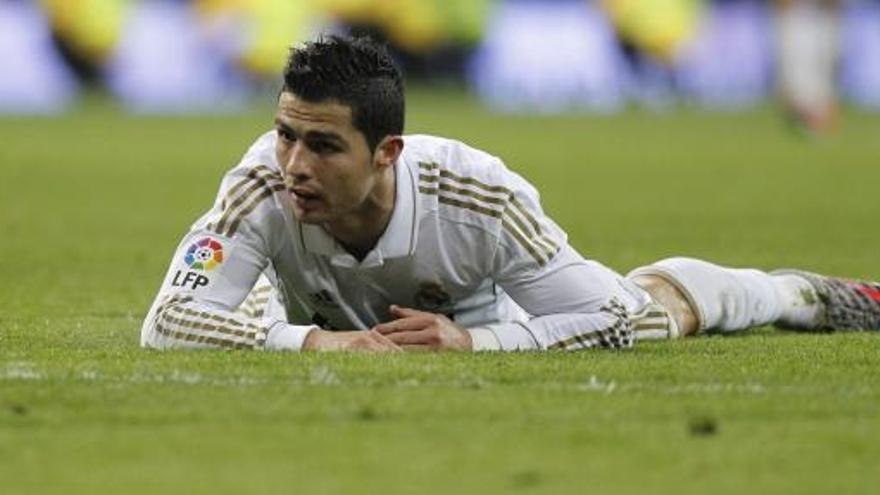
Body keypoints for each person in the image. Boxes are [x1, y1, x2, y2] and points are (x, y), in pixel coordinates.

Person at [140, 35, 880, 352]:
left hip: (505, 316)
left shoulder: (476, 193)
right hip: (327, 319)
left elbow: (611, 322)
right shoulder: (264, 179)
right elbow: (167, 320)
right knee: (251, 304)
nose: (294, 163)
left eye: (324, 145)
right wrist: (312, 340)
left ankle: (789, 294)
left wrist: (475, 341)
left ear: (387, 151)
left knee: (651, 312)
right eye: (284, 133)